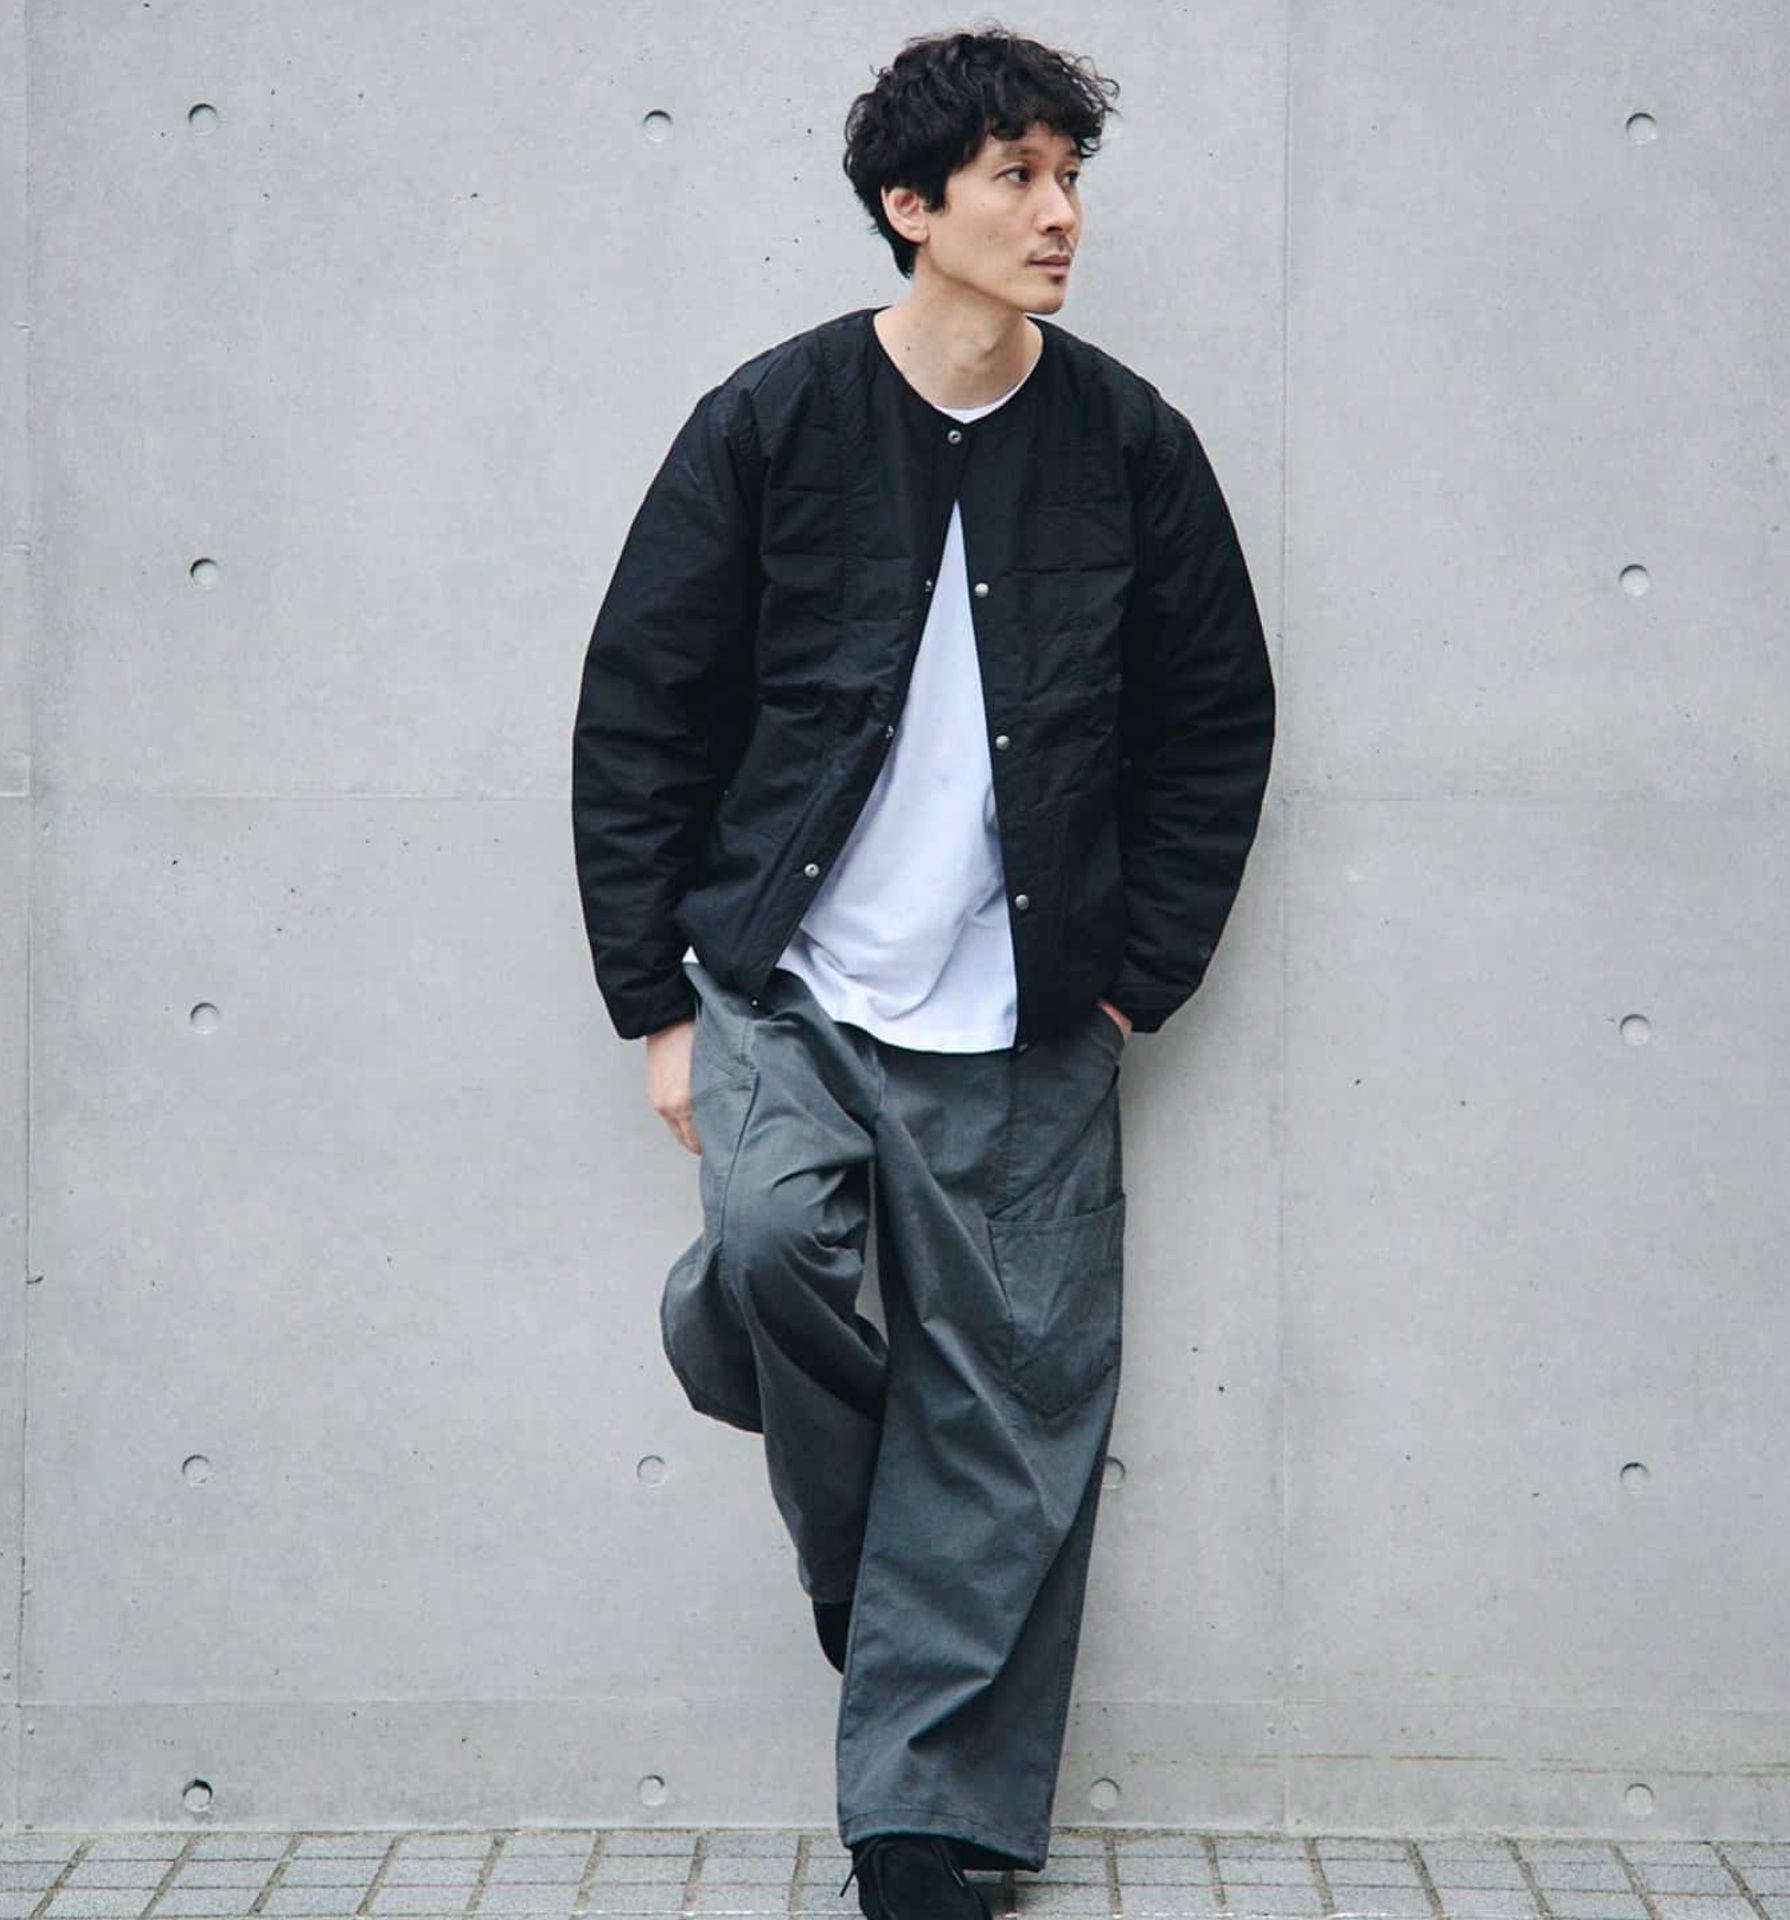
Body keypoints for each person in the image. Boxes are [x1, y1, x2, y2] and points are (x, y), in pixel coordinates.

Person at [570, 26, 1275, 1920]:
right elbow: (641, 710)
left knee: (1016, 1406)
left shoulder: (1131, 445)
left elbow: (1215, 723)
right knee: (767, 1254)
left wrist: (1135, 977)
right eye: (1017, 178)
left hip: (1031, 1017)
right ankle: (875, 1579)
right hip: (786, 986)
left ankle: (916, 1830)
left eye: (1071, 178)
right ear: (912, 205)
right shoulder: (774, 422)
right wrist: (659, 1003)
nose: (1060, 216)